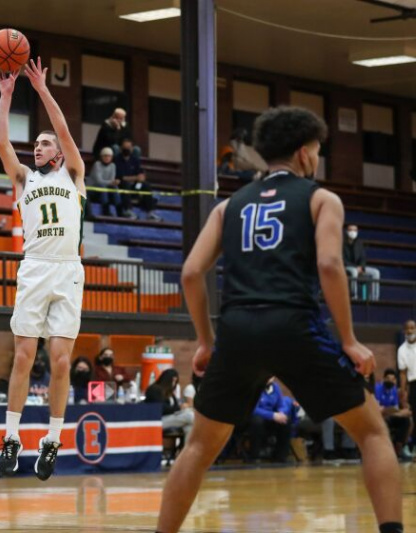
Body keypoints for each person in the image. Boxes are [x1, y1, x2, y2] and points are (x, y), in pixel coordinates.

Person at [154, 106, 402, 533]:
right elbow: (329, 264)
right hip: (293, 325)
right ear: (305, 154)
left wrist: (206, 342)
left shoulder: (227, 208)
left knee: (198, 445)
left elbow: (192, 273)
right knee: (374, 432)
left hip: (237, 330)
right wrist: (348, 338)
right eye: (318, 152)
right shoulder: (321, 198)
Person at [0, 58, 87, 481]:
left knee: (62, 361)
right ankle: (11, 436)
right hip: (34, 267)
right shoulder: (24, 179)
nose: (39, 147)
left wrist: (43, 90)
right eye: (36, 144)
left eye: (44, 144)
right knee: (24, 356)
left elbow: (65, 131)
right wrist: (6, 97)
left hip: (68, 269)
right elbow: (0, 144)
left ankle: (51, 440)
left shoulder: (73, 173)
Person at [244, 377, 293, 463]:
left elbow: (281, 404)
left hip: (270, 418)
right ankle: (254, 456)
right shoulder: (253, 387)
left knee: (286, 420)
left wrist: (281, 413)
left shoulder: (275, 387)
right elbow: (252, 409)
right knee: (257, 421)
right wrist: (272, 415)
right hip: (255, 417)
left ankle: (281, 456)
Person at [115, 138, 158, 220]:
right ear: (121, 148)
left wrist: (141, 177)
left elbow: (141, 174)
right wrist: (135, 177)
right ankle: (128, 210)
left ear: (132, 148)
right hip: (123, 186)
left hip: (135, 185)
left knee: (146, 185)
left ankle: (150, 213)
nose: (127, 149)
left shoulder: (135, 160)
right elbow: (121, 177)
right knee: (125, 183)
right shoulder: (117, 160)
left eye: (129, 147)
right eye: (125, 147)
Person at [145, 369, 194, 440]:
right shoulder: (154, 389)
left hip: (170, 418)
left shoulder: (170, 393)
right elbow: (161, 408)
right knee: (190, 416)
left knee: (189, 426)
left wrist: (181, 408)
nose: (174, 384)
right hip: (158, 420)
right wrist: (179, 408)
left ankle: (186, 450)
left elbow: (175, 407)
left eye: (175, 381)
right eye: (173, 380)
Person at [374, 368, 412, 460]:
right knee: (385, 420)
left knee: (406, 420)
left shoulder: (394, 390)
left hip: (390, 415)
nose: (390, 381)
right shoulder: (377, 388)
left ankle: (399, 449)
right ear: (383, 379)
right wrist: (395, 413)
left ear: (395, 380)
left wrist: (401, 413)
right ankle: (385, 451)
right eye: (388, 378)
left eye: (392, 379)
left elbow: (395, 409)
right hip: (379, 416)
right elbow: (377, 409)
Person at [343, 224, 380, 301]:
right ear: (346, 231)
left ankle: (374, 298)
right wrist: (355, 267)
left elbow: (363, 257)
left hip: (358, 267)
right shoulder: (341, 242)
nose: (353, 232)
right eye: (351, 230)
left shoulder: (359, 243)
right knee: (354, 271)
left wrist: (362, 267)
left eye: (355, 230)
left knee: (376, 272)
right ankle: (354, 296)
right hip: (346, 267)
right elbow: (342, 259)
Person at [88, 146, 128, 218]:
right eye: (105, 156)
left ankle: (120, 211)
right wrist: (111, 182)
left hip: (106, 189)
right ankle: (106, 210)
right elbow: (99, 181)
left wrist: (114, 182)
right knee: (103, 187)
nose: (107, 158)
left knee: (114, 187)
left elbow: (111, 181)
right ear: (101, 156)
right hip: (93, 189)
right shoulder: (97, 164)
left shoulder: (113, 166)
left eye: (109, 156)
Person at [397, 319, 416, 452]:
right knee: (414, 418)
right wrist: (403, 391)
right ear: (404, 331)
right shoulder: (401, 350)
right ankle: (413, 447)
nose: (410, 331)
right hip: (414, 384)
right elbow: (403, 374)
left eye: (412, 328)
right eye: (407, 328)